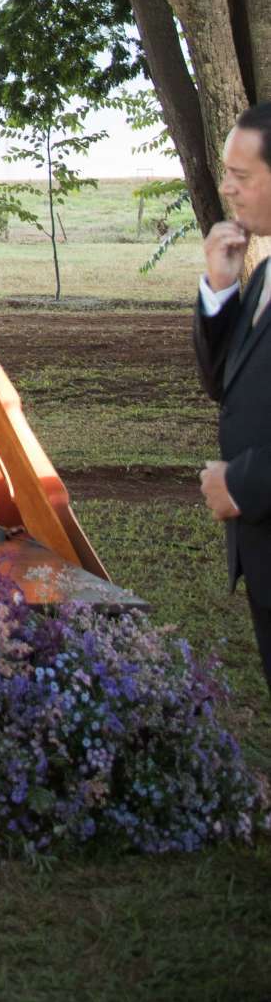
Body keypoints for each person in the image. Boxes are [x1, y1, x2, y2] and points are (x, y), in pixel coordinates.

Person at [194, 100, 271, 699]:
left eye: (241, 176)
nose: (226, 189)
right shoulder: (264, 273)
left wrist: (240, 484)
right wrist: (221, 290)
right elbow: (225, 383)